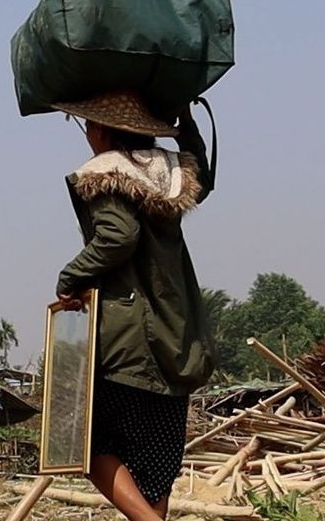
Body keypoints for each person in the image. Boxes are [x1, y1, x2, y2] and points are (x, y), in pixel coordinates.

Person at [52, 90, 215, 521]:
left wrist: (70, 279)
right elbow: (204, 176)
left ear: (101, 130)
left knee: (86, 446)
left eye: (88, 125)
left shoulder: (104, 175)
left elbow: (118, 237)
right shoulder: (171, 172)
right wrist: (185, 122)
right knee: (156, 469)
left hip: (129, 340)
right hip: (176, 331)